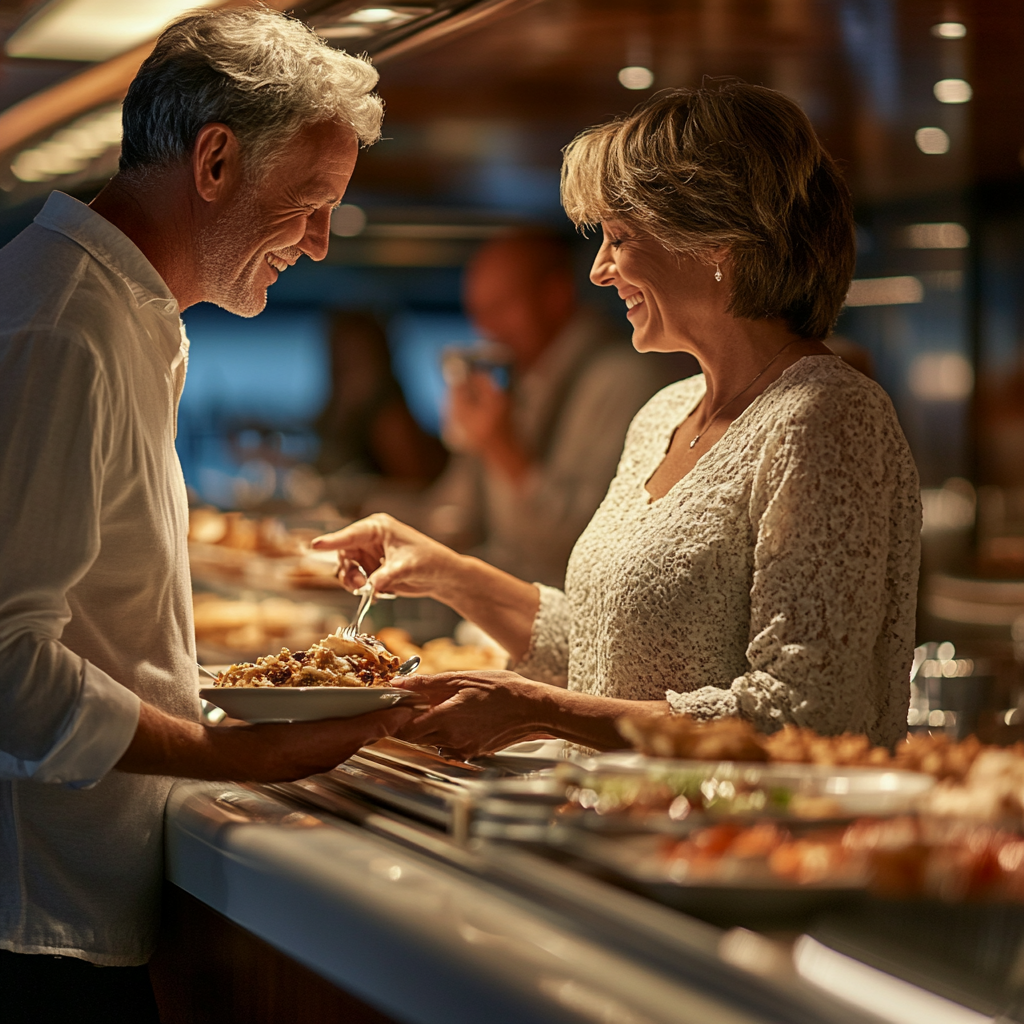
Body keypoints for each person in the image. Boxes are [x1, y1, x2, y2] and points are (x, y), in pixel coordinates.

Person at [0, 10, 413, 1020]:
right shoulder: (61, 325)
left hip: (81, 900)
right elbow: (7, 664)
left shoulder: (132, 316)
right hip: (32, 921)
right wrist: (229, 750)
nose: (319, 242)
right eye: (311, 201)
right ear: (216, 161)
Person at [314, 83, 921, 759]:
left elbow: (807, 713)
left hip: (711, 852)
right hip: (604, 832)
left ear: (717, 239)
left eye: (620, 237)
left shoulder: (826, 416)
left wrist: (538, 709)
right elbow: (604, 651)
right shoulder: (662, 413)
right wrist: (448, 572)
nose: (601, 270)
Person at [412, 231, 673, 587]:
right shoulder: (521, 376)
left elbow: (579, 546)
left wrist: (502, 446)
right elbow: (458, 513)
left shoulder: (618, 379)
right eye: (478, 313)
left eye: (500, 308)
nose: (485, 329)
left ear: (556, 295)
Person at [315, 310, 448, 490]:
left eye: (358, 352)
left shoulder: (389, 416)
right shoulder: (340, 409)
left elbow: (415, 486)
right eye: (342, 352)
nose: (349, 363)